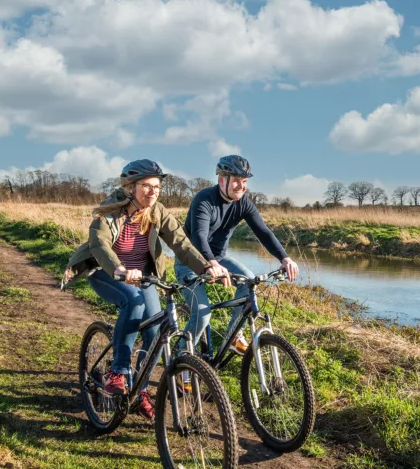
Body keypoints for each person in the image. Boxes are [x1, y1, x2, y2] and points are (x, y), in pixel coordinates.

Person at [62, 159, 229, 420]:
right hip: (108, 272)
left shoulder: (157, 212)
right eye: (147, 186)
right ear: (130, 187)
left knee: (155, 333)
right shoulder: (109, 215)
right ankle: (118, 371)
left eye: (157, 187)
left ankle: (140, 390)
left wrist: (206, 267)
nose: (153, 192)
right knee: (134, 303)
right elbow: (101, 246)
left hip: (145, 277)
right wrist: (119, 269)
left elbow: (182, 245)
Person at [175, 155, 299, 355]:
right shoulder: (204, 199)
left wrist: (285, 258)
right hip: (189, 262)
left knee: (249, 282)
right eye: (236, 182)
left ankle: (234, 335)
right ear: (222, 180)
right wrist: (212, 263)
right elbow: (199, 236)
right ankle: (183, 361)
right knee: (203, 314)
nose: (241, 187)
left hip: (219, 260)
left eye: (244, 182)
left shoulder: (243, 203)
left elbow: (263, 232)